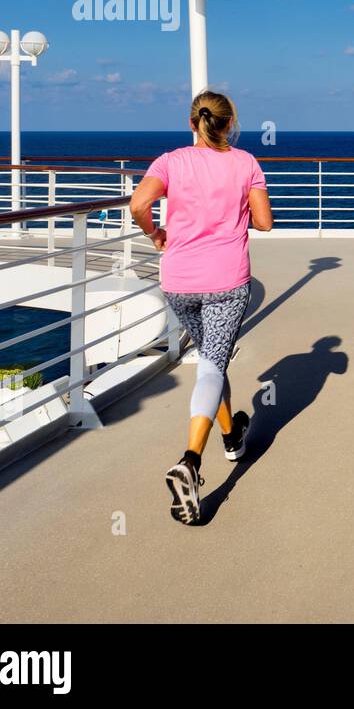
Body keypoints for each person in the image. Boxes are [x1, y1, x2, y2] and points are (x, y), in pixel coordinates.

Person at [129, 91, 273, 525]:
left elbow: (138, 204)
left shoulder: (170, 161)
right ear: (229, 124)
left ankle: (232, 437)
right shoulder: (246, 163)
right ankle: (190, 460)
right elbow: (264, 222)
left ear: (192, 122)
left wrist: (156, 234)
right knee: (212, 365)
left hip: (179, 282)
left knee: (213, 358)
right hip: (226, 281)